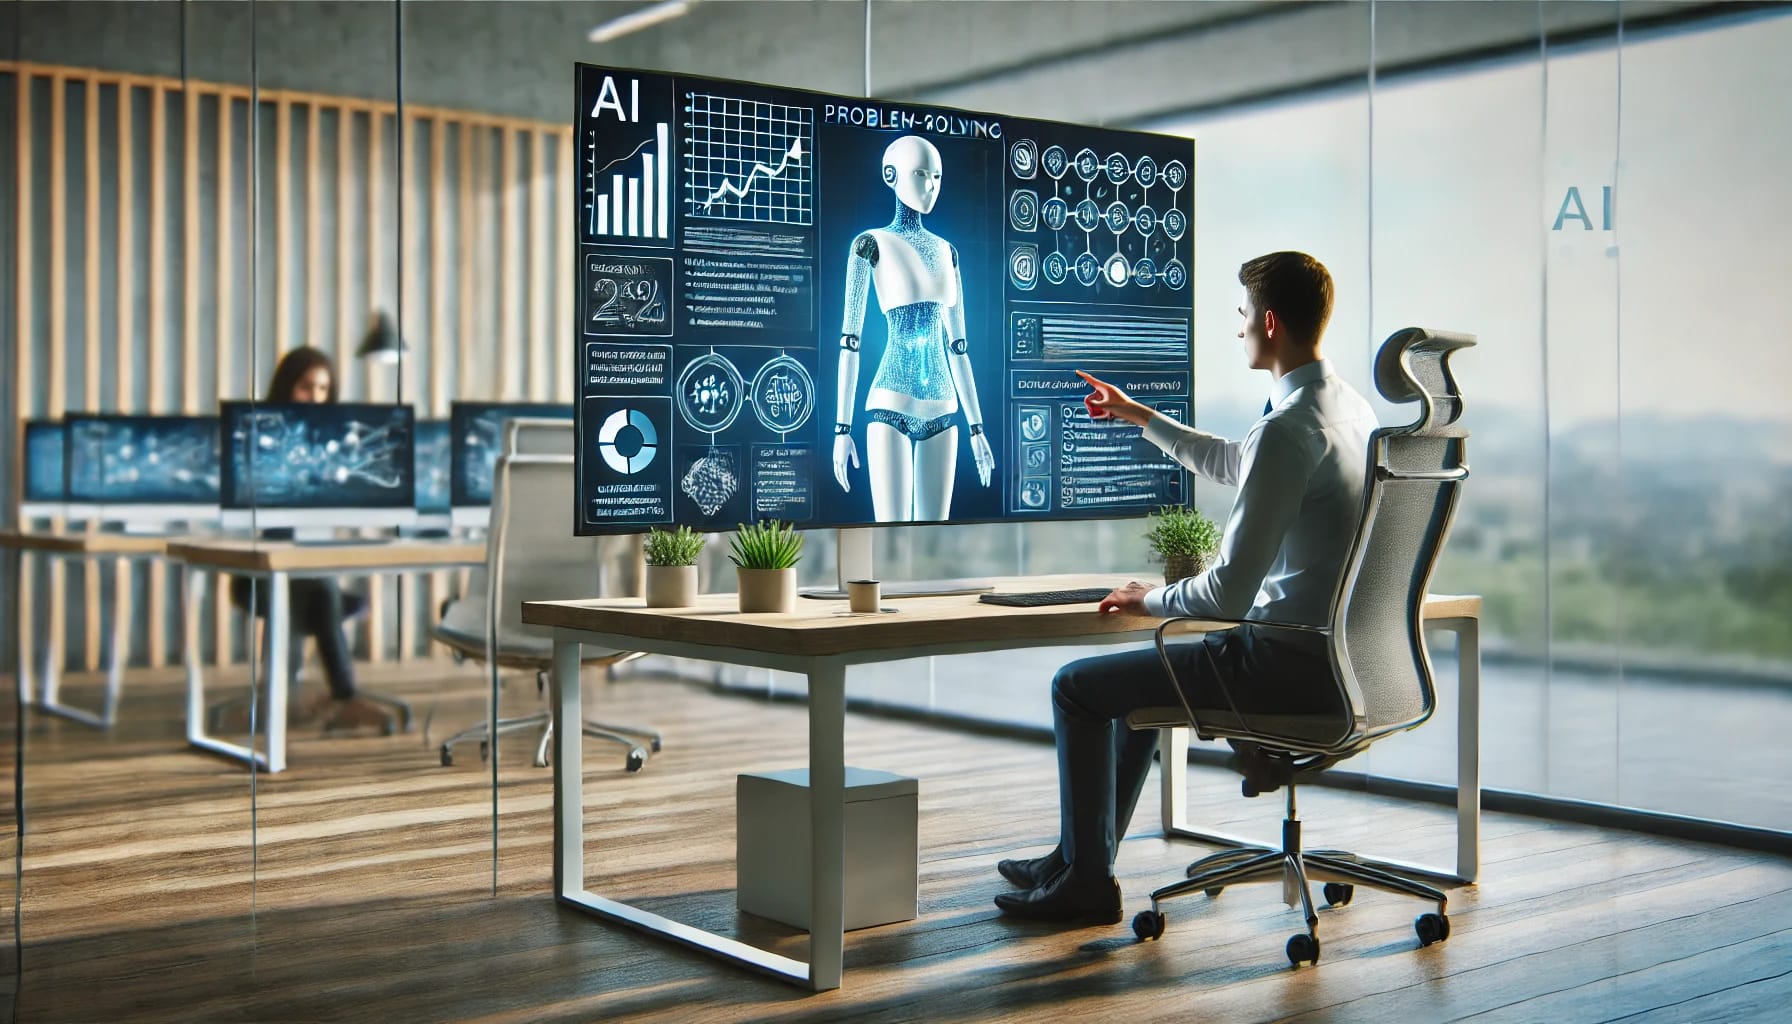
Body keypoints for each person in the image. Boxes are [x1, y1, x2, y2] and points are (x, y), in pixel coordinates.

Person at [992, 252, 1379, 924]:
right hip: (1343, 660)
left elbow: (1227, 595)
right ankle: (1077, 860)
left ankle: (1085, 885)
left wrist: (1147, 598)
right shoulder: (1348, 410)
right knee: (1143, 685)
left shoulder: (1289, 429)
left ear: (1269, 321)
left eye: (1240, 317)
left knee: (1077, 687)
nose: (1237, 332)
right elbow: (1239, 461)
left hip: (1282, 665)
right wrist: (1141, 416)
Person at [831, 135, 995, 522]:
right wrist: (842, 429)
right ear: (891, 175)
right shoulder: (869, 244)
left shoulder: (947, 251)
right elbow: (850, 343)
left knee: (931, 541)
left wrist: (977, 428)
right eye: (920, 174)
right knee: (890, 536)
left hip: (944, 411)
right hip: (890, 404)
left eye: (937, 176)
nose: (930, 185)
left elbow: (958, 347)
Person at [229, 346, 388, 731]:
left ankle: (282, 699)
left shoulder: (336, 446)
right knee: (320, 595)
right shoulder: (259, 438)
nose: (315, 398)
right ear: (287, 387)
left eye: (322, 389)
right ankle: (341, 697)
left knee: (321, 592)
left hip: (315, 569)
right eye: (306, 387)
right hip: (264, 571)